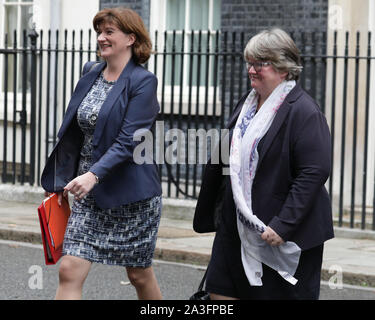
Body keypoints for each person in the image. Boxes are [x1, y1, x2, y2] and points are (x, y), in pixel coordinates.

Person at [193, 28, 334, 300]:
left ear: (284, 68)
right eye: (250, 62)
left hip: (279, 232)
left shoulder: (304, 111)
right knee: (218, 295)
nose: (251, 70)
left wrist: (284, 225)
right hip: (236, 228)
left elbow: (314, 172)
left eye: (261, 63)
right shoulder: (247, 106)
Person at [41, 7, 163, 300]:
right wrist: (62, 182)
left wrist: (93, 175)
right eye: (100, 32)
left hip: (131, 197)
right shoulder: (90, 72)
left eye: (109, 32)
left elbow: (128, 141)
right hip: (88, 194)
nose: (101, 38)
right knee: (69, 269)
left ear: (131, 38)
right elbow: (72, 133)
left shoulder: (143, 82)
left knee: (138, 274)